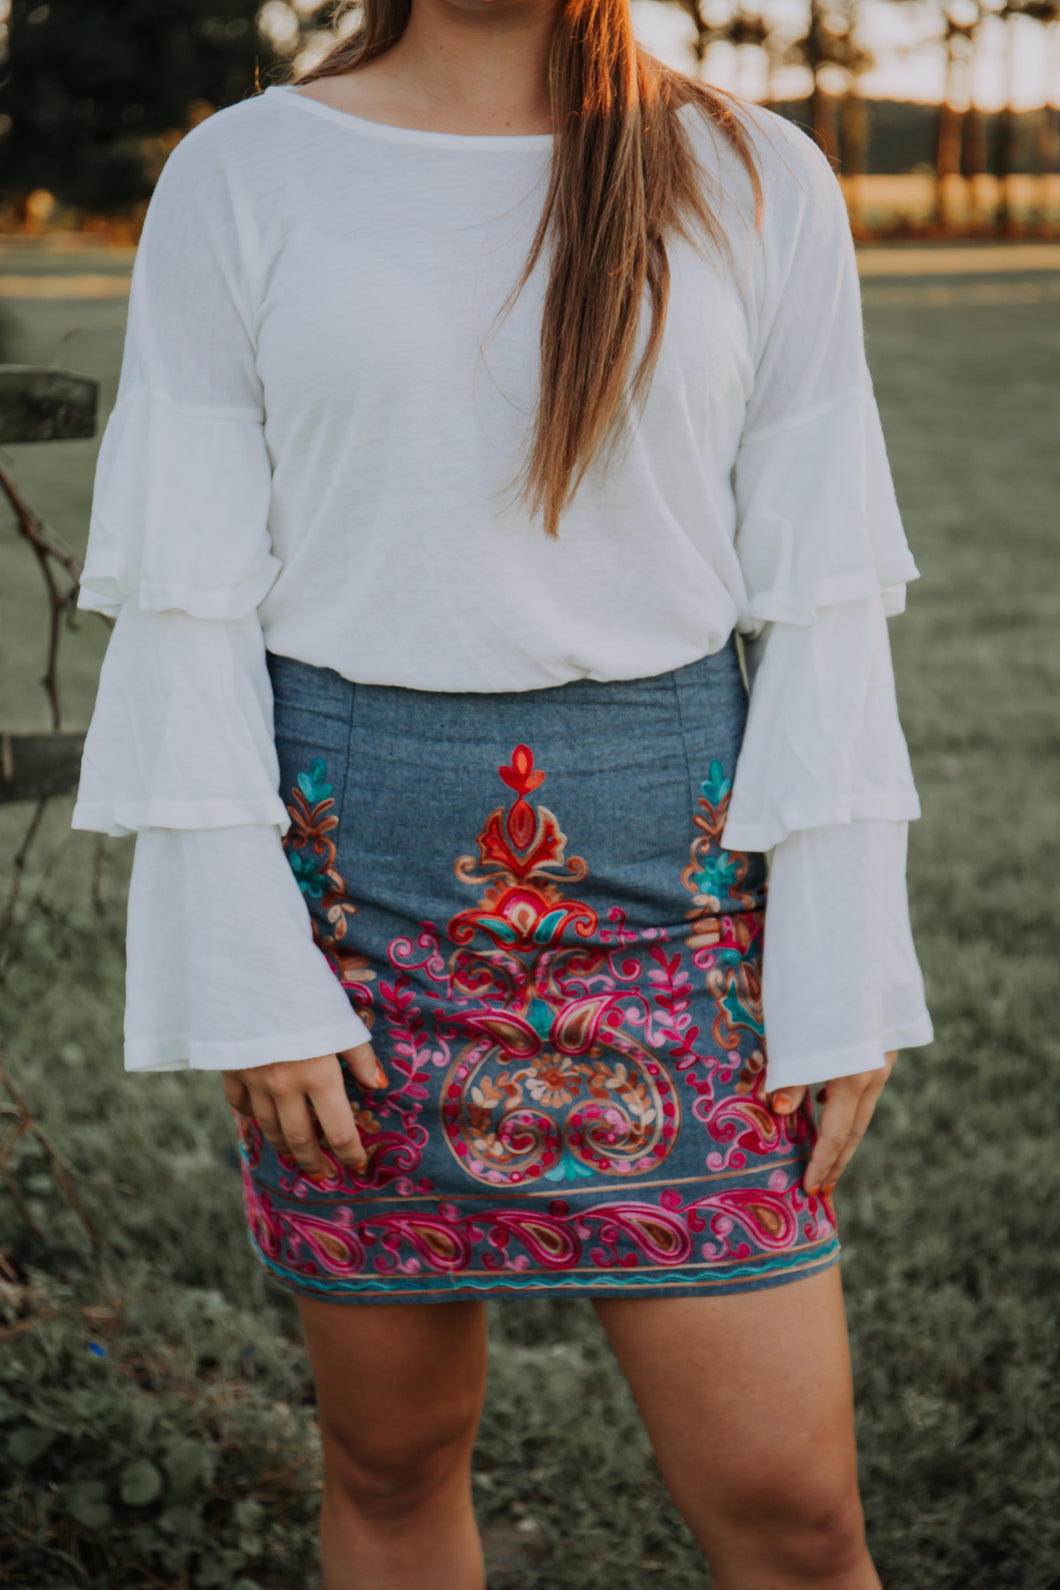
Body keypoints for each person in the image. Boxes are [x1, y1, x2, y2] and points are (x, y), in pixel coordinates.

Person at [71, 1, 934, 1585]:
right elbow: (190, 604)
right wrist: (249, 972)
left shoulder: (758, 174)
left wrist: (838, 970)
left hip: (682, 907)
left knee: (797, 1513)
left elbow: (824, 603)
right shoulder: (243, 172)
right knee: (391, 1463)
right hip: (353, 904)